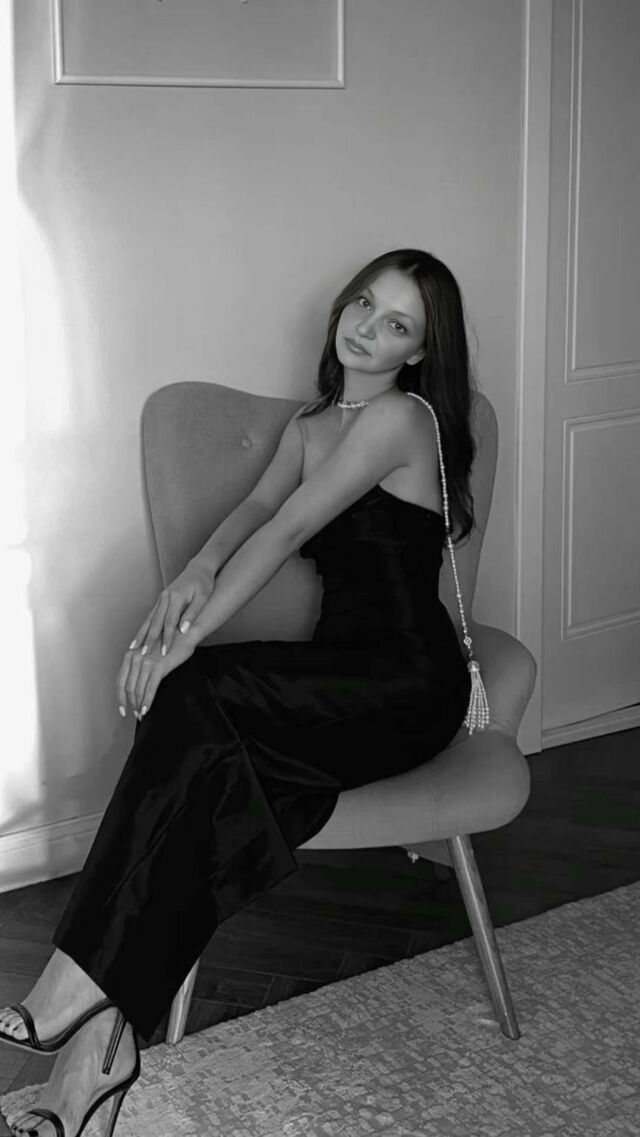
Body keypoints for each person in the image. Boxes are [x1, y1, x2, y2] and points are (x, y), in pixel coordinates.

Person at [0, 248, 480, 1136]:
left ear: (418, 351)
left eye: (396, 324)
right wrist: (196, 571)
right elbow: (256, 512)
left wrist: (183, 640)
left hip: (406, 682)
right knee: (207, 783)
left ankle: (77, 979)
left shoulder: (401, 418)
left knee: (196, 696)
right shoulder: (313, 423)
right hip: (338, 679)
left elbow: (292, 526)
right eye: (363, 304)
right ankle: (95, 1063)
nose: (367, 328)